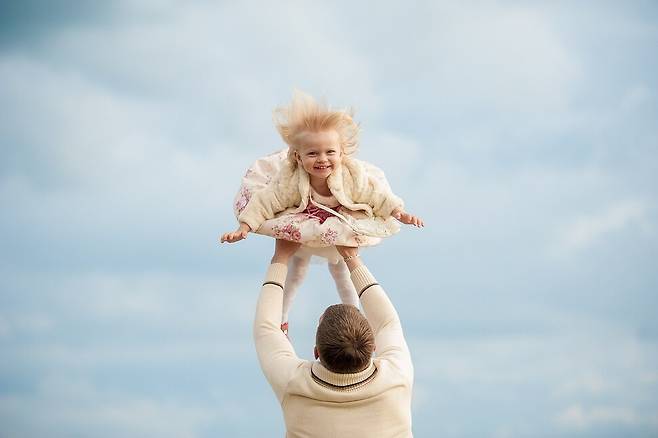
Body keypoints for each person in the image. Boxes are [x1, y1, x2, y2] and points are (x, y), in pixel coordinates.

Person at [221, 90, 423, 334]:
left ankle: (353, 319)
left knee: (341, 270)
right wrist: (244, 227)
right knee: (297, 269)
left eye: (330, 152)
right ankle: (282, 319)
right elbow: (267, 200)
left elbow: (374, 195)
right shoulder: (291, 180)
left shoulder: (350, 177)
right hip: (304, 226)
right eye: (312, 153)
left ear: (341, 154)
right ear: (297, 156)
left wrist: (399, 212)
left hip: (338, 225)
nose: (322, 159)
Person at [254, 239, 414, 437]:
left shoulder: (294, 383)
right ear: (374, 347)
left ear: (316, 352)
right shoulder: (396, 376)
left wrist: (281, 256)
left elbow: (267, 328)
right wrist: (352, 258)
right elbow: (387, 322)